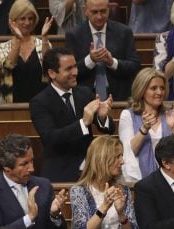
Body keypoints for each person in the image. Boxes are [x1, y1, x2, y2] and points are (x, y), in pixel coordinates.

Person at [29, 47, 115, 182]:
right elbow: (51, 139)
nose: (75, 72)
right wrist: (83, 123)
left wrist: (102, 117)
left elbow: (109, 129)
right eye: (68, 69)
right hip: (61, 174)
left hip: (91, 173)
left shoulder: (85, 93)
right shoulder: (40, 102)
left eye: (75, 66)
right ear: (52, 73)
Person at [70, 136, 141, 229]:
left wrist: (121, 214)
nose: (122, 161)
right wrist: (104, 207)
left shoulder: (124, 190)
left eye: (122, 156)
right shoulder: (79, 192)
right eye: (117, 157)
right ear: (102, 159)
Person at [119, 68, 174, 183]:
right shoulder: (128, 116)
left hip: (170, 180)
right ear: (142, 90)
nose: (159, 93)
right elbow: (128, 152)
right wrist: (144, 129)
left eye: (162, 88)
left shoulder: (173, 116)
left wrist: (173, 129)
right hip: (138, 179)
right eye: (154, 88)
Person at [65, 0, 140, 102]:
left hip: (118, 97)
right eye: (94, 12)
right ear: (85, 11)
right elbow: (69, 71)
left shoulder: (124, 32)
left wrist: (112, 62)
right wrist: (90, 60)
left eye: (103, 11)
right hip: (84, 99)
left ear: (108, 10)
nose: (99, 16)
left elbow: (135, 67)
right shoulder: (74, 35)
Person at [0, 0, 53, 104]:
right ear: (13, 21)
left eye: (30, 18)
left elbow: (49, 65)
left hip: (42, 102)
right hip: (12, 104)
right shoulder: (1, 47)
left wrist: (44, 37)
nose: (27, 23)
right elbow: (8, 66)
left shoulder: (43, 43)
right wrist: (18, 39)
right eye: (23, 18)